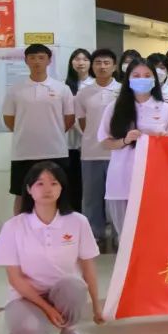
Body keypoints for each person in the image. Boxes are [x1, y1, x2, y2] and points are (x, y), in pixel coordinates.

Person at [0, 162, 103, 334]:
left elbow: (88, 268)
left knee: (74, 285)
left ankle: (69, 331)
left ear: (62, 188)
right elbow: (15, 279)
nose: (47, 189)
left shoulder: (78, 221)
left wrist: (96, 308)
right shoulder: (13, 226)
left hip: (64, 290)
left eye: (54, 183)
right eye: (40, 183)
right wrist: (47, 309)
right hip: (27, 296)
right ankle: (39, 332)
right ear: (29, 189)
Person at [98, 59, 168, 233]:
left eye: (147, 75)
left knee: (153, 232)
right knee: (126, 235)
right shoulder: (114, 108)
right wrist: (125, 140)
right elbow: (105, 142)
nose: (141, 79)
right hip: (123, 177)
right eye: (136, 76)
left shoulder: (166, 109)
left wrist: (167, 140)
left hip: (155, 178)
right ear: (128, 79)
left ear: (154, 79)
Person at [2, 44, 76, 215]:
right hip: (23, 152)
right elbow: (9, 119)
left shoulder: (62, 89)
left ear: (49, 61)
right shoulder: (15, 90)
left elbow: (69, 118)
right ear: (26, 61)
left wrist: (53, 132)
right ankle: (20, 229)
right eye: (32, 58)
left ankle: (57, 227)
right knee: (22, 194)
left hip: (55, 151)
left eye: (41, 58)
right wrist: (26, 131)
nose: (37, 61)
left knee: (58, 193)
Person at [74, 49, 120, 250]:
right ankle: (94, 234)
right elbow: (82, 122)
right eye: (98, 63)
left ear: (114, 66)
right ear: (92, 66)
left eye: (107, 63)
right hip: (91, 152)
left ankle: (120, 234)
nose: (102, 66)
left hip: (118, 153)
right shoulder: (84, 92)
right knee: (92, 198)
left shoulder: (123, 91)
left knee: (118, 197)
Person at [64, 48, 94, 211]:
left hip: (90, 142)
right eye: (76, 59)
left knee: (89, 184)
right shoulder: (65, 86)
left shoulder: (94, 85)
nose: (80, 62)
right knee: (72, 182)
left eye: (85, 59)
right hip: (70, 143)